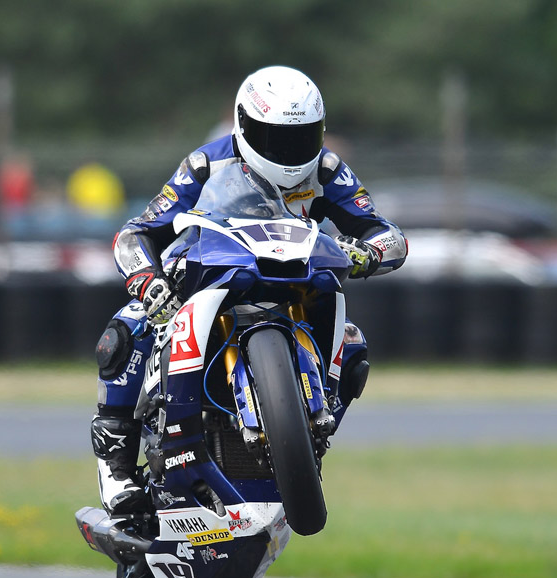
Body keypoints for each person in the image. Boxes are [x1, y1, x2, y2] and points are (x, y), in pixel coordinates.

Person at [91, 65, 407, 514]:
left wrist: (367, 252)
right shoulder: (205, 164)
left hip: (296, 281)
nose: (289, 151)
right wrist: (148, 280)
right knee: (128, 327)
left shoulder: (328, 168)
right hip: (217, 274)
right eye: (274, 137)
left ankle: (313, 429)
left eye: (301, 137)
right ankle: (116, 465)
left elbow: (387, 233)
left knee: (354, 343)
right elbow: (137, 232)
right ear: (243, 124)